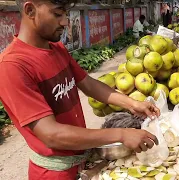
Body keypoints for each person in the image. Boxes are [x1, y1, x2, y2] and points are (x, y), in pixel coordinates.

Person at [0, 0, 160, 180]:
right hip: (54, 174)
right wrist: (121, 134)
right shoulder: (13, 66)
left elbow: (88, 84)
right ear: (30, 10)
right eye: (58, 14)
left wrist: (132, 104)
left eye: (66, 13)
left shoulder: (57, 48)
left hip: (81, 164)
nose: (65, 22)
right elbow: (51, 134)